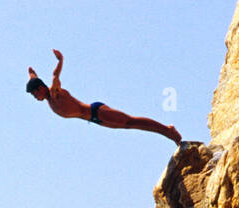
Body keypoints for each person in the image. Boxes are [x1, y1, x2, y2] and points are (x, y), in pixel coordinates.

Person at [27, 49, 181, 144]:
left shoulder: (55, 94)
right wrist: (31, 73)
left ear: (41, 88)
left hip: (96, 112)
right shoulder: (47, 96)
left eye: (35, 94)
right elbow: (34, 79)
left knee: (130, 122)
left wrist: (60, 60)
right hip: (94, 119)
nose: (35, 98)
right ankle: (167, 131)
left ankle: (167, 130)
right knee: (128, 126)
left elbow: (54, 76)